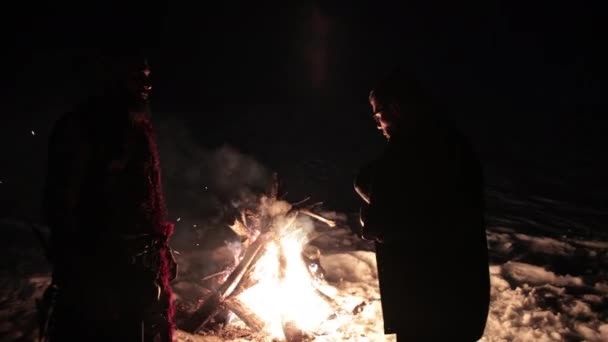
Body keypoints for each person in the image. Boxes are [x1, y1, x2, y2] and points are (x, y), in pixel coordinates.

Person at [40, 52, 176, 341]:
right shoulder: (82, 127)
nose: (146, 84)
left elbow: (144, 199)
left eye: (148, 77)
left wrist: (161, 251)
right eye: (137, 75)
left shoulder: (137, 127)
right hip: (100, 270)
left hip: (140, 269)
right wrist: (81, 272)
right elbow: (61, 204)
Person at [354, 71, 490, 341]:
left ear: (396, 108)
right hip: (463, 295)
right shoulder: (451, 141)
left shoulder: (407, 154)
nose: (378, 124)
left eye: (378, 114)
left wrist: (369, 216)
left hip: (427, 301)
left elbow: (383, 224)